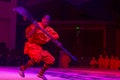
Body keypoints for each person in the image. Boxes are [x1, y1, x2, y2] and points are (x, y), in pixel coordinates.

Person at [19, 14, 59, 79]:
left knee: (51, 60)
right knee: (38, 57)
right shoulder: (36, 25)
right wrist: (35, 28)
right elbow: (28, 36)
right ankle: (22, 69)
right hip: (31, 46)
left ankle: (40, 74)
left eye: (48, 20)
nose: (47, 21)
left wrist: (57, 42)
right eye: (45, 19)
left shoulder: (49, 29)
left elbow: (55, 36)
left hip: (39, 47)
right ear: (42, 19)